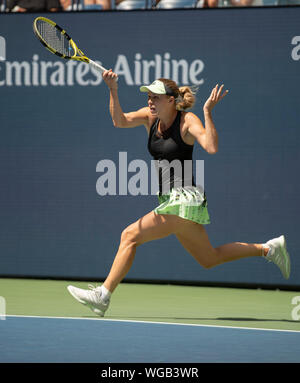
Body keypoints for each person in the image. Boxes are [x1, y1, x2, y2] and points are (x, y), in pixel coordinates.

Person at [67, 70, 291, 317]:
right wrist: (112, 89)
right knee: (209, 258)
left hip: (185, 198)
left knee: (129, 235)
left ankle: (103, 295)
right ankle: (268, 249)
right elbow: (119, 120)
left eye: (156, 97)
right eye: (149, 96)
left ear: (171, 101)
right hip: (170, 201)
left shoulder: (187, 121)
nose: (150, 101)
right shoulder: (149, 118)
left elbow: (211, 146)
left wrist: (207, 113)